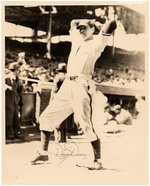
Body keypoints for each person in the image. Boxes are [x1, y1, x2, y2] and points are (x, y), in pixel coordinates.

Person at [31, 18, 117, 170]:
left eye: (84, 28)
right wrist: (86, 22)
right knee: (46, 117)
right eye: (80, 29)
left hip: (82, 84)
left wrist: (96, 24)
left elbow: (112, 23)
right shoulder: (78, 39)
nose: (80, 30)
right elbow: (72, 22)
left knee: (85, 125)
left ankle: (97, 161)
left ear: (92, 30)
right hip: (68, 84)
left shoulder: (97, 43)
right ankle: (43, 152)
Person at [5, 62, 23, 140]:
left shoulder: (17, 79)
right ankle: (9, 134)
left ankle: (17, 133)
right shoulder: (6, 78)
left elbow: (19, 89)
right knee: (9, 117)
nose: (18, 72)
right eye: (18, 70)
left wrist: (20, 99)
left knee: (16, 118)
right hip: (8, 101)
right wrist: (7, 87)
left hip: (15, 101)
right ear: (15, 70)